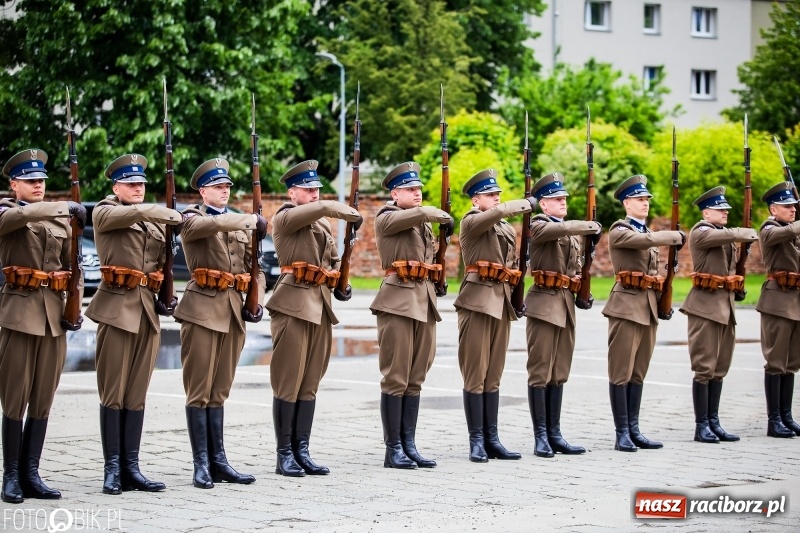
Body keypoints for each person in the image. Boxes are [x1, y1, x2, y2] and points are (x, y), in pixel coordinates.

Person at [85, 154, 181, 494]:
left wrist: (165, 291)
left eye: (141, 183)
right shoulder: (104, 212)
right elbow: (138, 213)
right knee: (113, 392)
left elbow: (160, 263)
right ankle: (112, 468)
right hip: (115, 308)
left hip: (146, 311)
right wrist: (167, 212)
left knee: (136, 394)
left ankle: (131, 467)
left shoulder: (154, 223)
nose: (138, 188)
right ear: (116, 187)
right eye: (130, 183)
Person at [174, 158, 267, 488]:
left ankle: (219, 461)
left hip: (232, 312)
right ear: (202, 191)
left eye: (227, 186)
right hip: (201, 311)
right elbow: (205, 228)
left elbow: (255, 266)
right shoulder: (191, 218)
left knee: (219, 391)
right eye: (217, 187)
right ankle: (200, 463)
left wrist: (257, 294)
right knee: (199, 390)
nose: (224, 191)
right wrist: (248, 220)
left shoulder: (240, 224)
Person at [267, 160, 362, 477]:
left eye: (317, 190)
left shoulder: (321, 225)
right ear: (292, 193)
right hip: (293, 304)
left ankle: (301, 449)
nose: (314, 195)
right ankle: (284, 454)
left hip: (320, 307)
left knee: (309, 383)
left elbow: (333, 262)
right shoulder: (285, 218)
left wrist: (341, 283)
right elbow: (317, 211)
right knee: (288, 382)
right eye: (307, 190)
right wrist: (334, 206)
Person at [0, 149, 85, 504]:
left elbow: (72, 264)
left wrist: (74, 304)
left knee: (42, 399)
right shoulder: (7, 212)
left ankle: (32, 472)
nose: (38, 186)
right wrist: (65, 206)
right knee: (15, 398)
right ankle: (11, 476)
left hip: (53, 316)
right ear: (13, 183)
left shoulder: (56, 220)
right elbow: (19, 218)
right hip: (19, 314)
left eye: (42, 181)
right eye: (31, 180)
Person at [370, 161, 453, 469]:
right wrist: (435, 212)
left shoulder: (422, 224)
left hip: (423, 301)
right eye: (410, 189)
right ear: (395, 193)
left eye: (419, 189)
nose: (417, 193)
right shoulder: (386, 217)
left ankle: (409, 444)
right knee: (396, 377)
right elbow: (410, 218)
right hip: (397, 301)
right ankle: (393, 449)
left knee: (416, 377)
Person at [601, 175, 684, 452]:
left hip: (647, 307)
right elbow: (645, 241)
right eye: (640, 199)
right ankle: (621, 432)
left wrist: (663, 300)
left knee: (638, 372)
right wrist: (675, 236)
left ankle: (634, 429)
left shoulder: (643, 232)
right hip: (625, 307)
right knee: (621, 371)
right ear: (627, 203)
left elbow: (652, 273)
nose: (645, 203)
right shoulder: (620, 230)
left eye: (647, 199)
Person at [454, 169, 531, 463]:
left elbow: (510, 267)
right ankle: (476, 440)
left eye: (498, 194)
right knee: (476, 373)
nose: (497, 198)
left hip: (500, 303)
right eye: (490, 195)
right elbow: (493, 216)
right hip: (476, 303)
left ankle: (492, 438)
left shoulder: (506, 229)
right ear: (476, 200)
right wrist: (521, 204)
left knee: (493, 375)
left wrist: (515, 298)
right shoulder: (472, 221)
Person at [525, 173, 601, 458]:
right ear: (543, 204)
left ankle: (555, 434)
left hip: (566, 304)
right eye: (557, 199)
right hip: (544, 304)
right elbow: (558, 231)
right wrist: (589, 225)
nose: (563, 202)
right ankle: (540, 436)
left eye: (564, 199)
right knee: (541, 371)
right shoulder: (539, 225)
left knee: (559, 373)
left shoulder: (567, 231)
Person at [679, 187, 757, 443]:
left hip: (725, 307)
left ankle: (714, 421)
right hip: (704, 307)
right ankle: (701, 425)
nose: (725, 213)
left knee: (719, 368)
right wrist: (743, 232)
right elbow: (721, 238)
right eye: (720, 210)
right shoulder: (701, 232)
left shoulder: (723, 234)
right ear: (706, 212)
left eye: (726, 210)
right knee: (704, 367)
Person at [756, 181, 800, 438]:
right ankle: (774, 420)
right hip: (777, 301)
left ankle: (786, 415)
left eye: (794, 205)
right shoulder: (769, 228)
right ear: (774, 209)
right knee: (776, 362)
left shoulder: (791, 231)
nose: (792, 209)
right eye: (787, 205)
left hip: (794, 301)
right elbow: (781, 234)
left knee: (791, 363)